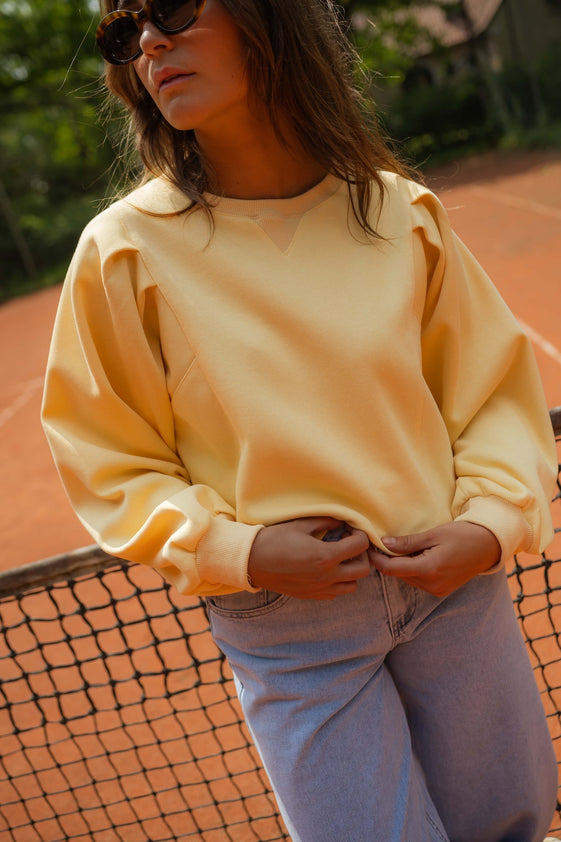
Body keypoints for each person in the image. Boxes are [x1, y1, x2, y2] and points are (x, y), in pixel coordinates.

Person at [42, 0, 559, 838]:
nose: (150, 41)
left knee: (511, 826)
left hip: (454, 593)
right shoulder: (122, 249)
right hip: (288, 626)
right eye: (124, 30)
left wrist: (490, 525)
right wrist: (238, 551)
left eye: (172, 7)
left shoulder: (399, 213)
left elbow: (491, 393)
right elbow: (110, 458)